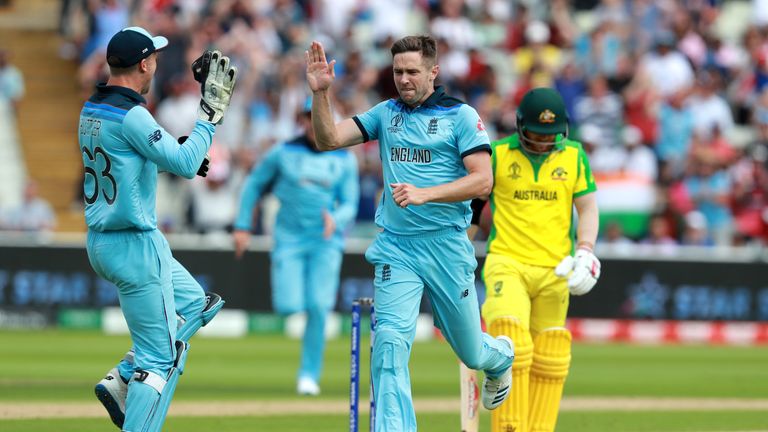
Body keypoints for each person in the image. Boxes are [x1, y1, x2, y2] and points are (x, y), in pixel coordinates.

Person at [305, 35, 514, 431]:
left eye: (412, 71)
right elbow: (327, 138)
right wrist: (321, 93)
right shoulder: (386, 113)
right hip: (396, 249)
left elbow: (483, 181)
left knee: (470, 351)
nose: (403, 79)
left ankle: (500, 358)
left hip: (447, 246)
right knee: (388, 345)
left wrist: (425, 194)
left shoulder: (462, 117)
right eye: (398, 71)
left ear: (433, 72)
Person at [79, 27, 236, 431]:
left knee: (200, 304)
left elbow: (141, 158)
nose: (157, 65)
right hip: (134, 243)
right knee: (160, 361)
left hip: (103, 240)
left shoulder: (93, 107)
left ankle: (124, 375)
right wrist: (209, 116)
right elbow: (184, 164)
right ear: (145, 63)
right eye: (156, 58)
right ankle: (135, 376)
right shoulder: (133, 115)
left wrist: (180, 150)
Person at [473, 87, 600, 432]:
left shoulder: (574, 155)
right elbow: (472, 209)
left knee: (552, 354)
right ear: (519, 127)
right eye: (536, 135)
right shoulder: (497, 154)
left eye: (551, 136)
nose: (544, 144)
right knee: (513, 342)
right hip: (507, 261)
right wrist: (459, 253)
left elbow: (587, 207)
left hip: (557, 268)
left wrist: (586, 249)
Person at [233, 101, 359, 396]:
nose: (314, 124)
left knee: (318, 306)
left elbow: (350, 204)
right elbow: (253, 185)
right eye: (309, 118)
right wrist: (242, 226)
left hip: (326, 241)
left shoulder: (343, 159)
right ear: (301, 120)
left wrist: (336, 219)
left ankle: (308, 375)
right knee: (289, 305)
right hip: (289, 238)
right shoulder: (283, 152)